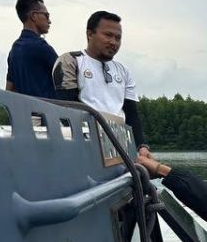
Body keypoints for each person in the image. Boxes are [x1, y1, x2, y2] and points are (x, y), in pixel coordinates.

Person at [51, 10, 145, 147]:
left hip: (121, 144)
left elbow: (131, 114)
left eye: (118, 38)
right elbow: (68, 108)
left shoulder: (124, 71)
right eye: (108, 35)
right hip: (85, 142)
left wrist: (142, 146)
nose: (113, 42)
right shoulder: (70, 61)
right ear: (90, 34)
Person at [5, 0, 57, 97]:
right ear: (33, 16)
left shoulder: (14, 50)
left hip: (23, 111)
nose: (49, 21)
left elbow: (9, 90)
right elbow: (67, 76)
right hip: (46, 111)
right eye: (46, 15)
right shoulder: (41, 47)